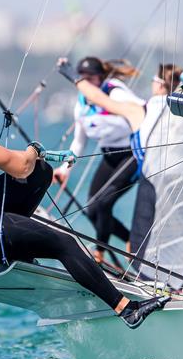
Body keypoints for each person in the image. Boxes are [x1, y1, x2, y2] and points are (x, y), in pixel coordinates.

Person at [0, 64, 169, 328]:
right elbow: (20, 166)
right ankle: (126, 309)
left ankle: (7, 252)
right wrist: (33, 149)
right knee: (65, 243)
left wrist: (34, 160)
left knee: (41, 172)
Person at [58, 60, 183, 299]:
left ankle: (164, 289)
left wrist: (73, 76)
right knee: (172, 244)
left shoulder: (142, 110)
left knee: (145, 247)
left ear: (159, 85)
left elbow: (99, 98)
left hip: (160, 186)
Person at [52, 57, 145, 265]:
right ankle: (131, 240)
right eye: (82, 78)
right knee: (93, 210)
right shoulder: (81, 105)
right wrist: (64, 169)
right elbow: (78, 143)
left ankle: (99, 253)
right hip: (109, 156)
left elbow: (143, 109)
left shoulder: (115, 91)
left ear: (100, 77)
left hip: (131, 155)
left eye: (90, 78)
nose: (86, 82)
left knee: (104, 203)